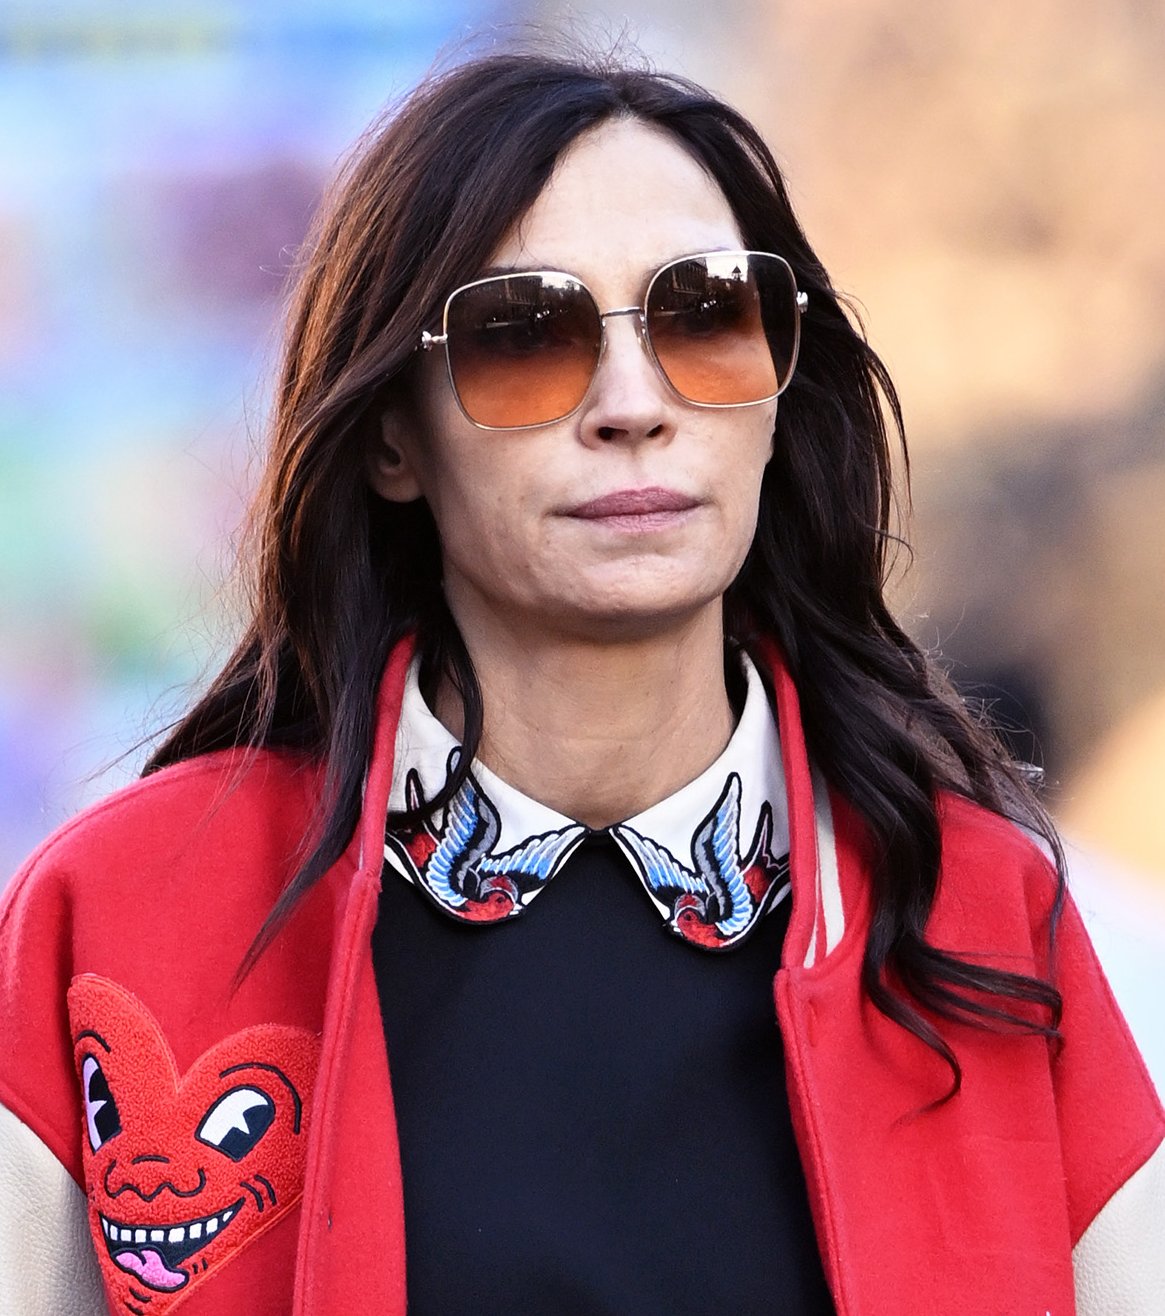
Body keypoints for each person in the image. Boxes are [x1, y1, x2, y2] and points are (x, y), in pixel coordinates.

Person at [0, 46, 1160, 1316]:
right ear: (393, 433)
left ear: (781, 385)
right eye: (523, 333)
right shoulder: (120, 913)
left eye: (707, 313)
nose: (633, 402)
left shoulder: (982, 917)